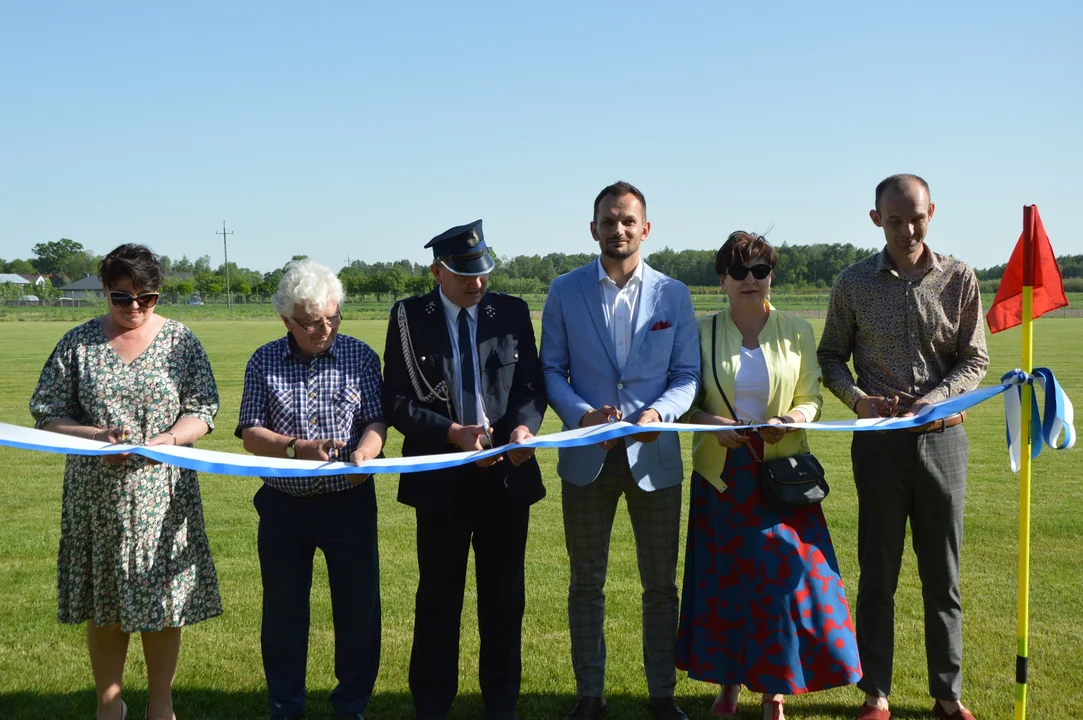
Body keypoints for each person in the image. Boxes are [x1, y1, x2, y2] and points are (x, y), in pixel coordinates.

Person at [817, 174, 989, 720]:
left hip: (943, 443)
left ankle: (947, 695)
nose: (907, 228)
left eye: (916, 217)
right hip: (880, 449)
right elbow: (829, 357)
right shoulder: (852, 283)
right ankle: (877, 693)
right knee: (878, 576)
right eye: (895, 220)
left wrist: (935, 398)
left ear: (931, 212)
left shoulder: (959, 278)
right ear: (876, 220)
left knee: (943, 577)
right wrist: (858, 400)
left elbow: (975, 359)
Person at [30, 243, 221, 720]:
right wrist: (96, 436)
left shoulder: (181, 342)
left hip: (164, 496)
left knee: (162, 604)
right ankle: (108, 705)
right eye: (122, 298)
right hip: (97, 497)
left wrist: (169, 439)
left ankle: (162, 707)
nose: (135, 307)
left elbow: (203, 410)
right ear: (104, 290)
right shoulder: (77, 344)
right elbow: (46, 413)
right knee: (106, 604)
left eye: (147, 297)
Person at [675, 232, 861, 720]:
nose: (750, 280)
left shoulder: (798, 329)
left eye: (759, 270)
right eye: (739, 272)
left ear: (771, 275)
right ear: (722, 280)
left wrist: (792, 422)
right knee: (728, 588)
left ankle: (773, 691)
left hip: (783, 479)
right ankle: (728, 690)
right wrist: (712, 425)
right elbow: (684, 402)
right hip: (722, 479)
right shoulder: (699, 332)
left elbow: (812, 397)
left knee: (782, 586)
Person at [540, 181, 700, 720]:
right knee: (587, 583)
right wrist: (580, 415)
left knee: (660, 584)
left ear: (646, 229)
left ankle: (662, 696)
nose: (619, 230)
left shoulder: (673, 295)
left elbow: (686, 376)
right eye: (609, 221)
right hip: (587, 459)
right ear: (594, 229)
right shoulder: (564, 290)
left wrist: (660, 414)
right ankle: (590, 695)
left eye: (628, 221)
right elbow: (550, 371)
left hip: (654, 458)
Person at [382, 220, 546, 720]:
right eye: (463, 274)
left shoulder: (512, 313)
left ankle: (501, 704)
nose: (476, 283)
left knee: (504, 600)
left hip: (505, 479)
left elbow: (530, 389)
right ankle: (431, 705)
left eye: (482, 272)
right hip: (440, 484)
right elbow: (395, 401)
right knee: (437, 598)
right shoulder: (409, 317)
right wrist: (451, 432)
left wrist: (522, 431)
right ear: (437, 271)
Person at [237, 259, 387, 720]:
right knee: (283, 616)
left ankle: (352, 706)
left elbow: (376, 421)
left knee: (358, 612)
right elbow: (249, 433)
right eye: (311, 323)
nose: (325, 329)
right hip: (284, 509)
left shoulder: (361, 356)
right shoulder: (262, 360)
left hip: (350, 503)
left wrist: (368, 453)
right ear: (287, 321)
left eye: (332, 318)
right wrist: (296, 448)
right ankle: (285, 707)